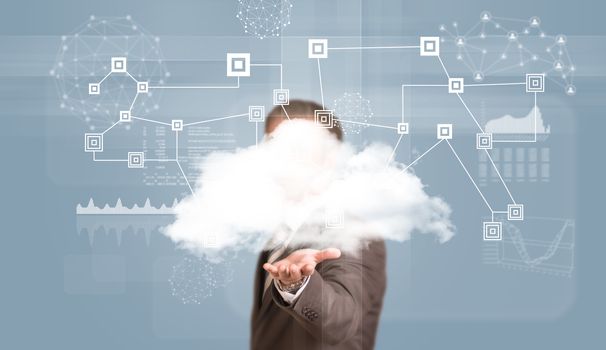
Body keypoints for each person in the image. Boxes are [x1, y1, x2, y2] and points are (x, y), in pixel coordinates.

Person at [250, 100, 387, 350]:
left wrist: (297, 285)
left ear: (330, 156)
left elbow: (342, 321)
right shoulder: (281, 237)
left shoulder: (353, 233)